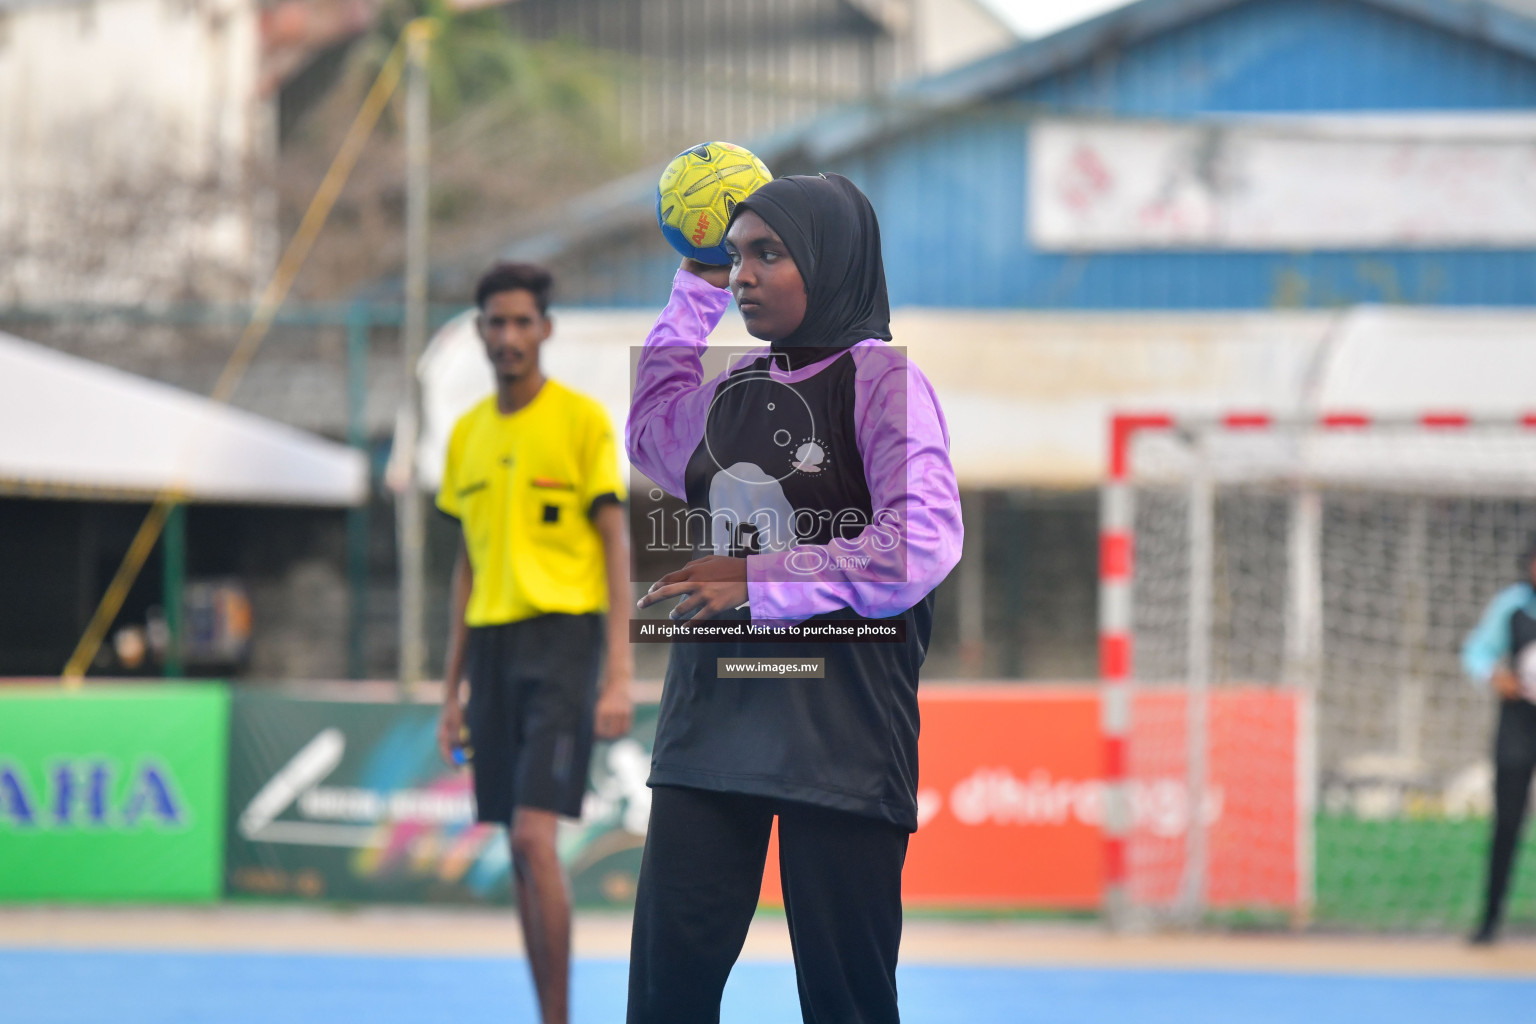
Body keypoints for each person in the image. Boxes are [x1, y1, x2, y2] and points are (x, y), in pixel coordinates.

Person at [624, 173, 963, 1022]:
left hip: (839, 735)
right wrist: (691, 288)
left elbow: (922, 541)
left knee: (846, 1004)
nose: (744, 275)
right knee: (666, 995)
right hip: (711, 724)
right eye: (735, 256)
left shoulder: (884, 381)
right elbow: (652, 434)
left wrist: (759, 577)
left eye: (767, 255)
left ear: (832, 260)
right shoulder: (738, 386)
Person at [435, 261, 634, 1024]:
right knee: (518, 851)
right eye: (496, 322)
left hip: (564, 644)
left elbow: (616, 548)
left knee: (533, 837)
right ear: (480, 332)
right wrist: (449, 692)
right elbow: (464, 568)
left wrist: (618, 674)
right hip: (489, 645)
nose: (509, 335)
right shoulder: (465, 437)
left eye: (523, 321)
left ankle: (560, 1020)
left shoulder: (582, 423)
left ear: (545, 329)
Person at [1462, 535, 1536, 945]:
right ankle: (1490, 920)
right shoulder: (1513, 605)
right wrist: (1494, 675)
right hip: (1519, 724)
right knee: (1507, 821)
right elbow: (1476, 650)